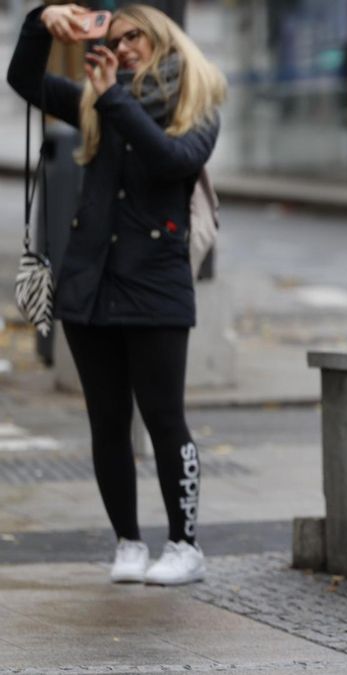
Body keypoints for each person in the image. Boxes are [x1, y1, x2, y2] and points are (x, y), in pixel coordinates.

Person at [7, 3, 225, 585]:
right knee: (106, 420)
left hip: (155, 284)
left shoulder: (196, 104)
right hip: (90, 283)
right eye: (117, 38)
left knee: (163, 417)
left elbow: (171, 159)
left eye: (137, 38)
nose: (125, 48)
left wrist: (112, 100)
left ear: (164, 40)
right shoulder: (96, 100)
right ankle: (127, 542)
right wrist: (41, 20)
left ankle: (185, 545)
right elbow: (23, 80)